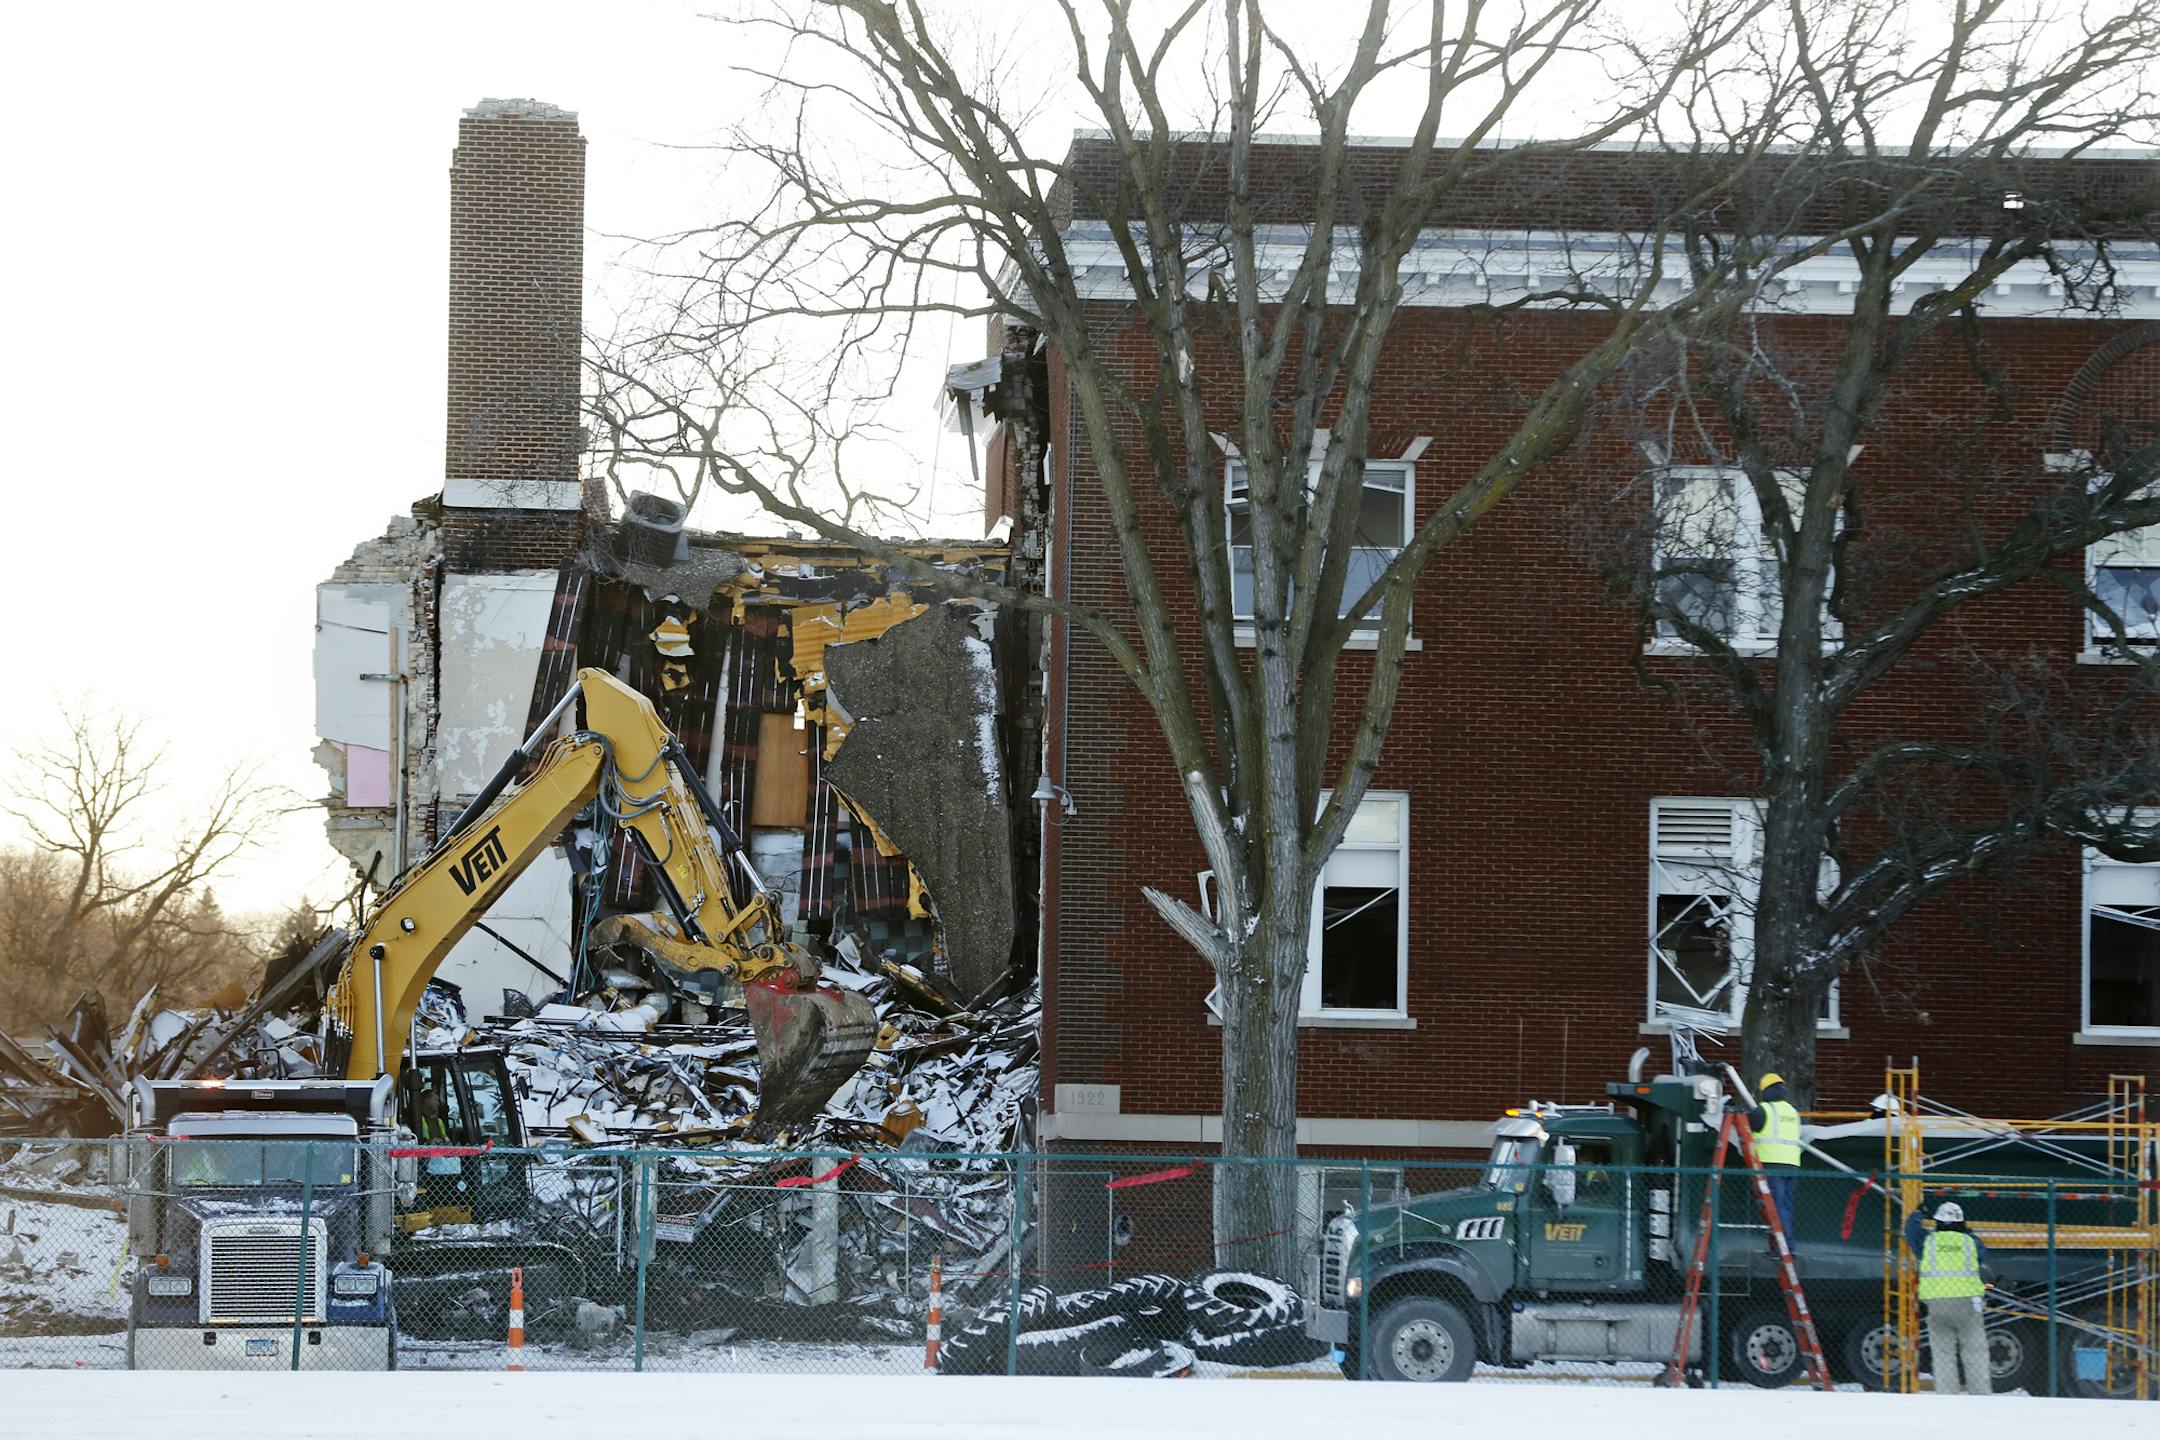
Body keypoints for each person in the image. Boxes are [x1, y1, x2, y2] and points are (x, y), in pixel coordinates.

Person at [1903, 1200, 1993, 1395]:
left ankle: (1947, 1396)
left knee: (1943, 1354)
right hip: (1967, 1303)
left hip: (1937, 1303)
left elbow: (1910, 1232)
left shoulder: (1928, 1242)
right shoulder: (1971, 1242)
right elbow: (1982, 1257)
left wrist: (1917, 1213)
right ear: (1962, 1222)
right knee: (1975, 1351)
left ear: (1937, 1222)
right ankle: (1981, 1395)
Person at [1743, 1072, 1804, 1246]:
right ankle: (1785, 1246)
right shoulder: (1792, 1112)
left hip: (1771, 1165)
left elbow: (1745, 1123)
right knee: (1785, 1207)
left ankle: (1785, 1247)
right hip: (1792, 1165)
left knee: (1776, 1209)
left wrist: (1734, 1109)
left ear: (1766, 1091)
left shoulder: (1765, 1110)